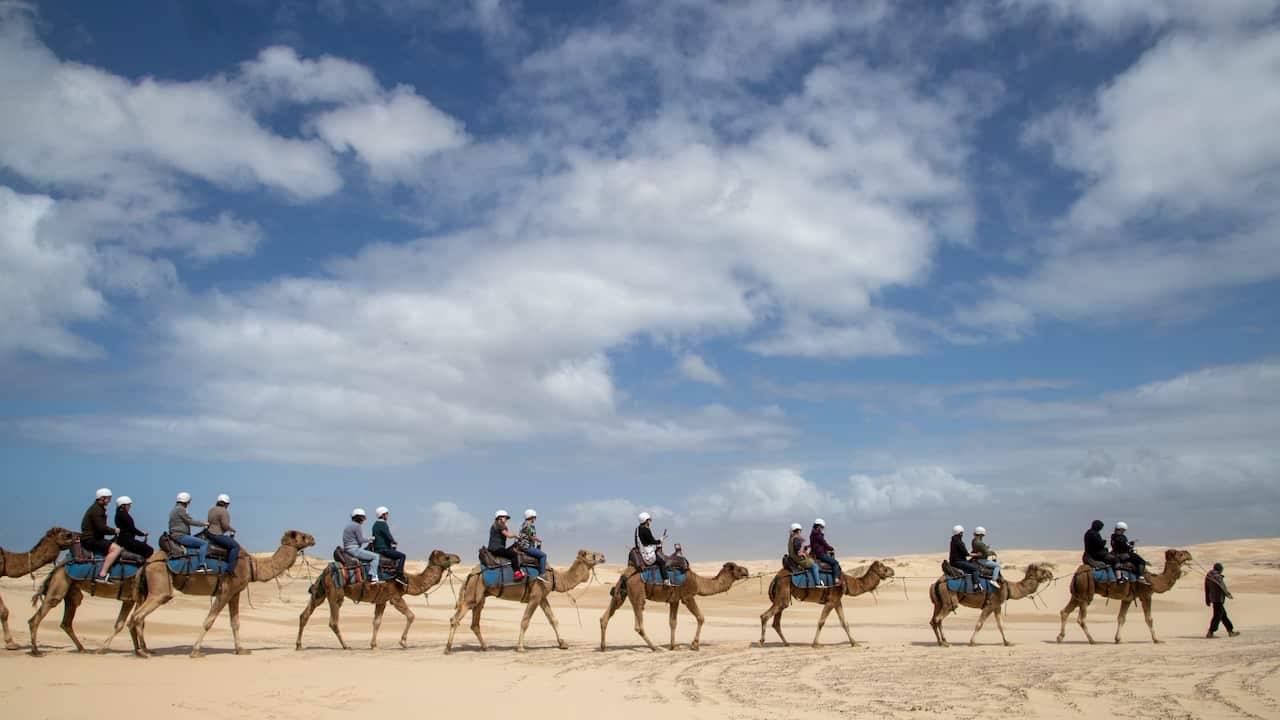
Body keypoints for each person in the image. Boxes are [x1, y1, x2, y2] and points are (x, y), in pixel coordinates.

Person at [81, 488, 123, 584]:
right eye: (108, 498)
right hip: (90, 539)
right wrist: (114, 531)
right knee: (116, 549)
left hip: (92, 538)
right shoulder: (97, 510)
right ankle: (102, 575)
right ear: (102, 498)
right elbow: (101, 528)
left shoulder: (97, 508)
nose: (110, 500)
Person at [169, 492, 210, 572]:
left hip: (174, 535)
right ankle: (201, 565)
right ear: (186, 501)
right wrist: (204, 523)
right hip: (181, 536)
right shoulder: (181, 510)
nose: (189, 503)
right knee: (204, 543)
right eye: (189, 502)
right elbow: (190, 521)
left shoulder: (173, 510)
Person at [206, 494, 241, 576]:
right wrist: (232, 529)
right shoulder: (224, 511)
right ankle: (230, 570)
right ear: (226, 504)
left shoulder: (211, 509)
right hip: (217, 535)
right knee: (235, 546)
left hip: (209, 533)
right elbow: (225, 525)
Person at [343, 508, 380, 584]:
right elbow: (360, 540)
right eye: (363, 518)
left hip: (347, 549)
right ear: (359, 517)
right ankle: (373, 577)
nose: (364, 520)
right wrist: (370, 539)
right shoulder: (357, 526)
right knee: (376, 556)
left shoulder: (348, 526)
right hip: (354, 550)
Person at [371, 506, 407, 585]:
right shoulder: (383, 524)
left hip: (378, 548)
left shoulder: (375, 524)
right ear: (382, 515)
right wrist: (394, 541)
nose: (388, 516)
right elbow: (388, 536)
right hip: (383, 549)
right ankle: (399, 575)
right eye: (386, 514)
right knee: (402, 556)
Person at [1204, 562, 1240, 638]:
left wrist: (1207, 599)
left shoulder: (1209, 576)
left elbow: (1206, 589)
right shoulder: (1217, 577)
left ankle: (1230, 631)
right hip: (1218, 599)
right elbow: (1223, 587)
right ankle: (1210, 632)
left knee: (1223, 616)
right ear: (1220, 569)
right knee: (1217, 616)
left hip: (1213, 599)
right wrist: (1228, 594)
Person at [488, 510, 525, 580]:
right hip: (497, 549)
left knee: (514, 547)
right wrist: (516, 536)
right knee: (513, 554)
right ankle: (517, 572)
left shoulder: (495, 525)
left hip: (495, 549)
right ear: (500, 518)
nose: (506, 520)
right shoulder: (500, 525)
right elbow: (508, 535)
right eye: (505, 518)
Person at [635, 512, 669, 586]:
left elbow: (639, 542)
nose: (650, 522)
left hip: (641, 553)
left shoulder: (637, 529)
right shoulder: (646, 530)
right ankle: (666, 580)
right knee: (662, 562)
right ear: (646, 521)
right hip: (648, 557)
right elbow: (653, 541)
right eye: (649, 520)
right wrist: (661, 540)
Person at [809, 518, 842, 586]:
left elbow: (816, 543)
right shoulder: (818, 535)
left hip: (814, 553)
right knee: (835, 563)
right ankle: (836, 579)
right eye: (822, 527)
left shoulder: (812, 534)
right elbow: (824, 543)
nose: (822, 529)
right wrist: (831, 548)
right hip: (820, 554)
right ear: (818, 526)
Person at [518, 508, 548, 582]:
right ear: (531, 517)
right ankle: (542, 574)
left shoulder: (524, 524)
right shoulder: (530, 525)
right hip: (526, 546)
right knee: (543, 555)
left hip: (522, 545)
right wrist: (538, 540)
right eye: (534, 517)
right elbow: (531, 536)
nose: (535, 519)